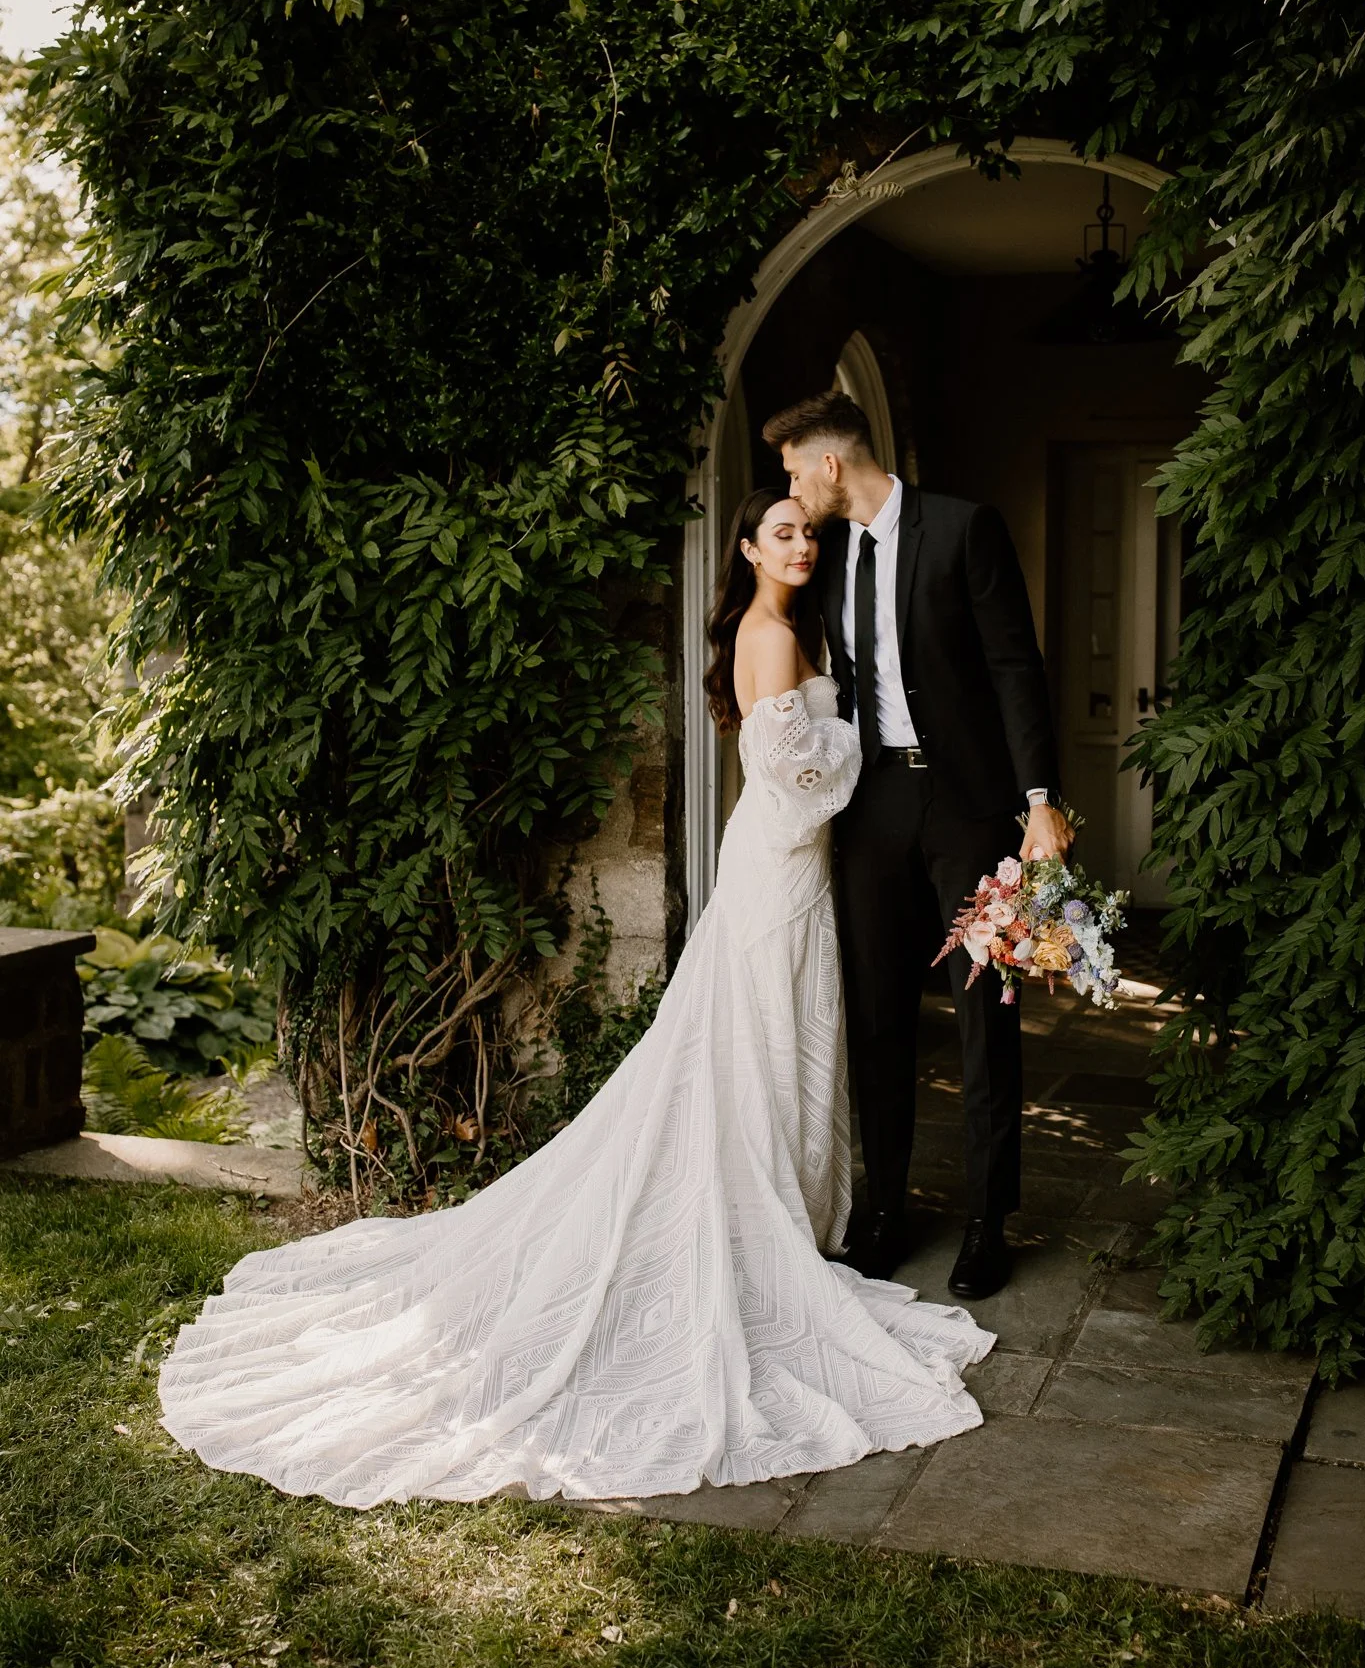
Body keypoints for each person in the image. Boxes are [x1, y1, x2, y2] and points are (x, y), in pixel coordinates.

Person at [157, 490, 994, 1508]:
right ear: (746, 547)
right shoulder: (770, 635)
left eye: (809, 532)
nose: (802, 545)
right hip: (779, 866)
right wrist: (858, 739)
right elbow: (800, 779)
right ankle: (755, 1219)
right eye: (782, 532)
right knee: (762, 1035)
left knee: (784, 1035)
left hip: (797, 867)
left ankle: (788, 1210)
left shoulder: (798, 627)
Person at [767, 391, 1070, 1300]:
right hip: (873, 804)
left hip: (969, 806)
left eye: (795, 474)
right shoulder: (828, 554)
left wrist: (1040, 802)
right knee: (875, 1009)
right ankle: (884, 1210)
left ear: (830, 464)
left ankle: (987, 1221)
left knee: (985, 1011)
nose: (794, 494)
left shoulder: (964, 529)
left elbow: (1015, 666)